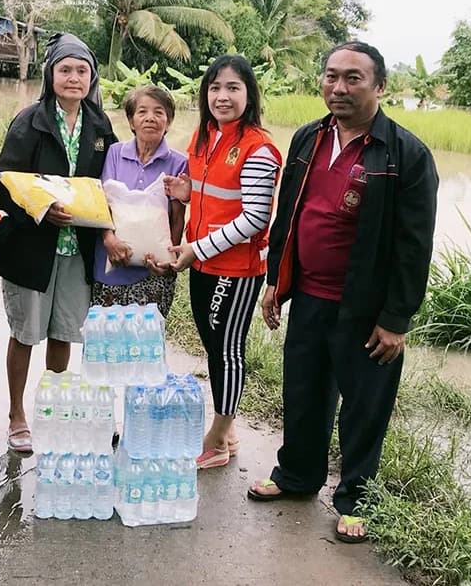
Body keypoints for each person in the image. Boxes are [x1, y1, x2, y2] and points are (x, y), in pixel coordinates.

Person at [248, 42, 439, 545]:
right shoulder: (308, 138)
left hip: (366, 307)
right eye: (331, 76)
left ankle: (356, 498)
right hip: (309, 294)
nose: (339, 87)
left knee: (364, 406)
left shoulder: (406, 155)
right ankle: (297, 475)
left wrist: (396, 318)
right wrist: (275, 280)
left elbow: (414, 245)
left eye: (353, 78)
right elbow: (289, 214)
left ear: (380, 87)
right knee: (304, 393)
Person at [0, 33, 118, 453]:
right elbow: (2, 184)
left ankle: (53, 407)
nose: (74, 78)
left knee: (63, 332)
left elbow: (112, 181)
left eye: (82, 70)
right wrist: (42, 210)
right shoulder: (30, 121)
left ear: (91, 77)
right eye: (65, 70)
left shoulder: (100, 125)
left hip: (77, 249)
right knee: (25, 333)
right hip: (32, 246)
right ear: (51, 75)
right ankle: (16, 415)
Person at [163, 55, 281, 470]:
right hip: (202, 263)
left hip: (236, 269)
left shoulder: (258, 148)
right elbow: (212, 193)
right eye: (215, 87)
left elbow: (255, 219)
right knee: (214, 346)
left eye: (233, 88)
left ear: (249, 94)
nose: (222, 96)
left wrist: (196, 248)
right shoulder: (204, 136)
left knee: (227, 350)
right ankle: (227, 429)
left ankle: (217, 439)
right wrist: (186, 192)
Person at [92, 85, 187, 316]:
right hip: (110, 266)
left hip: (153, 273)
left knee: (145, 336)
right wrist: (108, 239)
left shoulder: (179, 162)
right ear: (131, 121)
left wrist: (169, 261)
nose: (150, 118)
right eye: (142, 112)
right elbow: (103, 204)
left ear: (169, 122)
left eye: (159, 112)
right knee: (105, 334)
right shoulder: (115, 153)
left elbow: (177, 218)